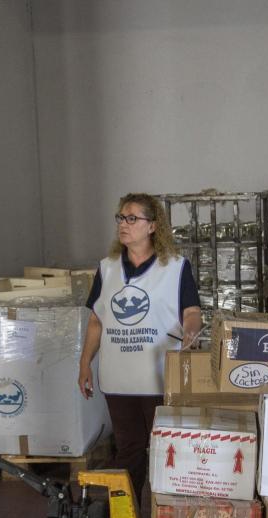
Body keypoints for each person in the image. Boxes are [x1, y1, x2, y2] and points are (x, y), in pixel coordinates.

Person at [78, 193, 202, 498]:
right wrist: (84, 364)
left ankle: (165, 517)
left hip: (159, 379)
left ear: (152, 226)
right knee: (129, 450)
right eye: (121, 217)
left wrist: (190, 332)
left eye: (132, 218)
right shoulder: (107, 268)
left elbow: (192, 311)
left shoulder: (175, 267)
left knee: (166, 450)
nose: (124, 224)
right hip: (118, 379)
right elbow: (97, 319)